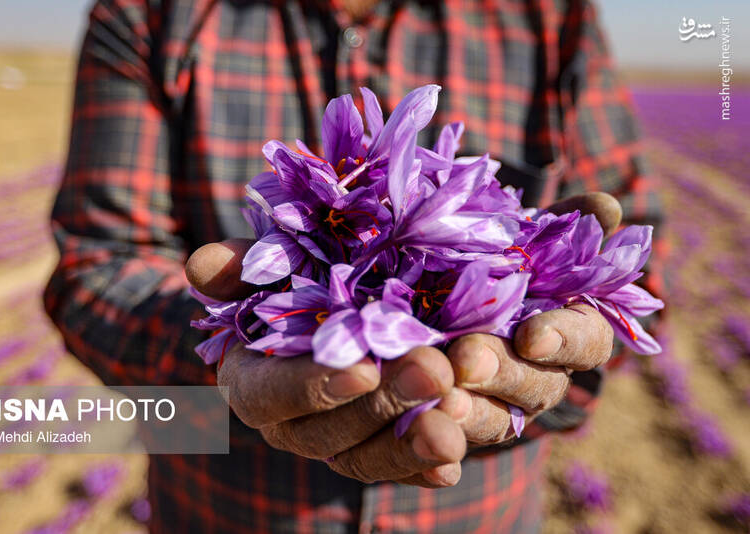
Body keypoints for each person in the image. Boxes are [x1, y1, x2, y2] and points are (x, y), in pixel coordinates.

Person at [44, 0, 663, 532]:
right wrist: (235, 366)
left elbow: (632, 270)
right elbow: (95, 267)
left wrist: (546, 369)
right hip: (226, 509)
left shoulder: (552, 16)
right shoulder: (153, 14)